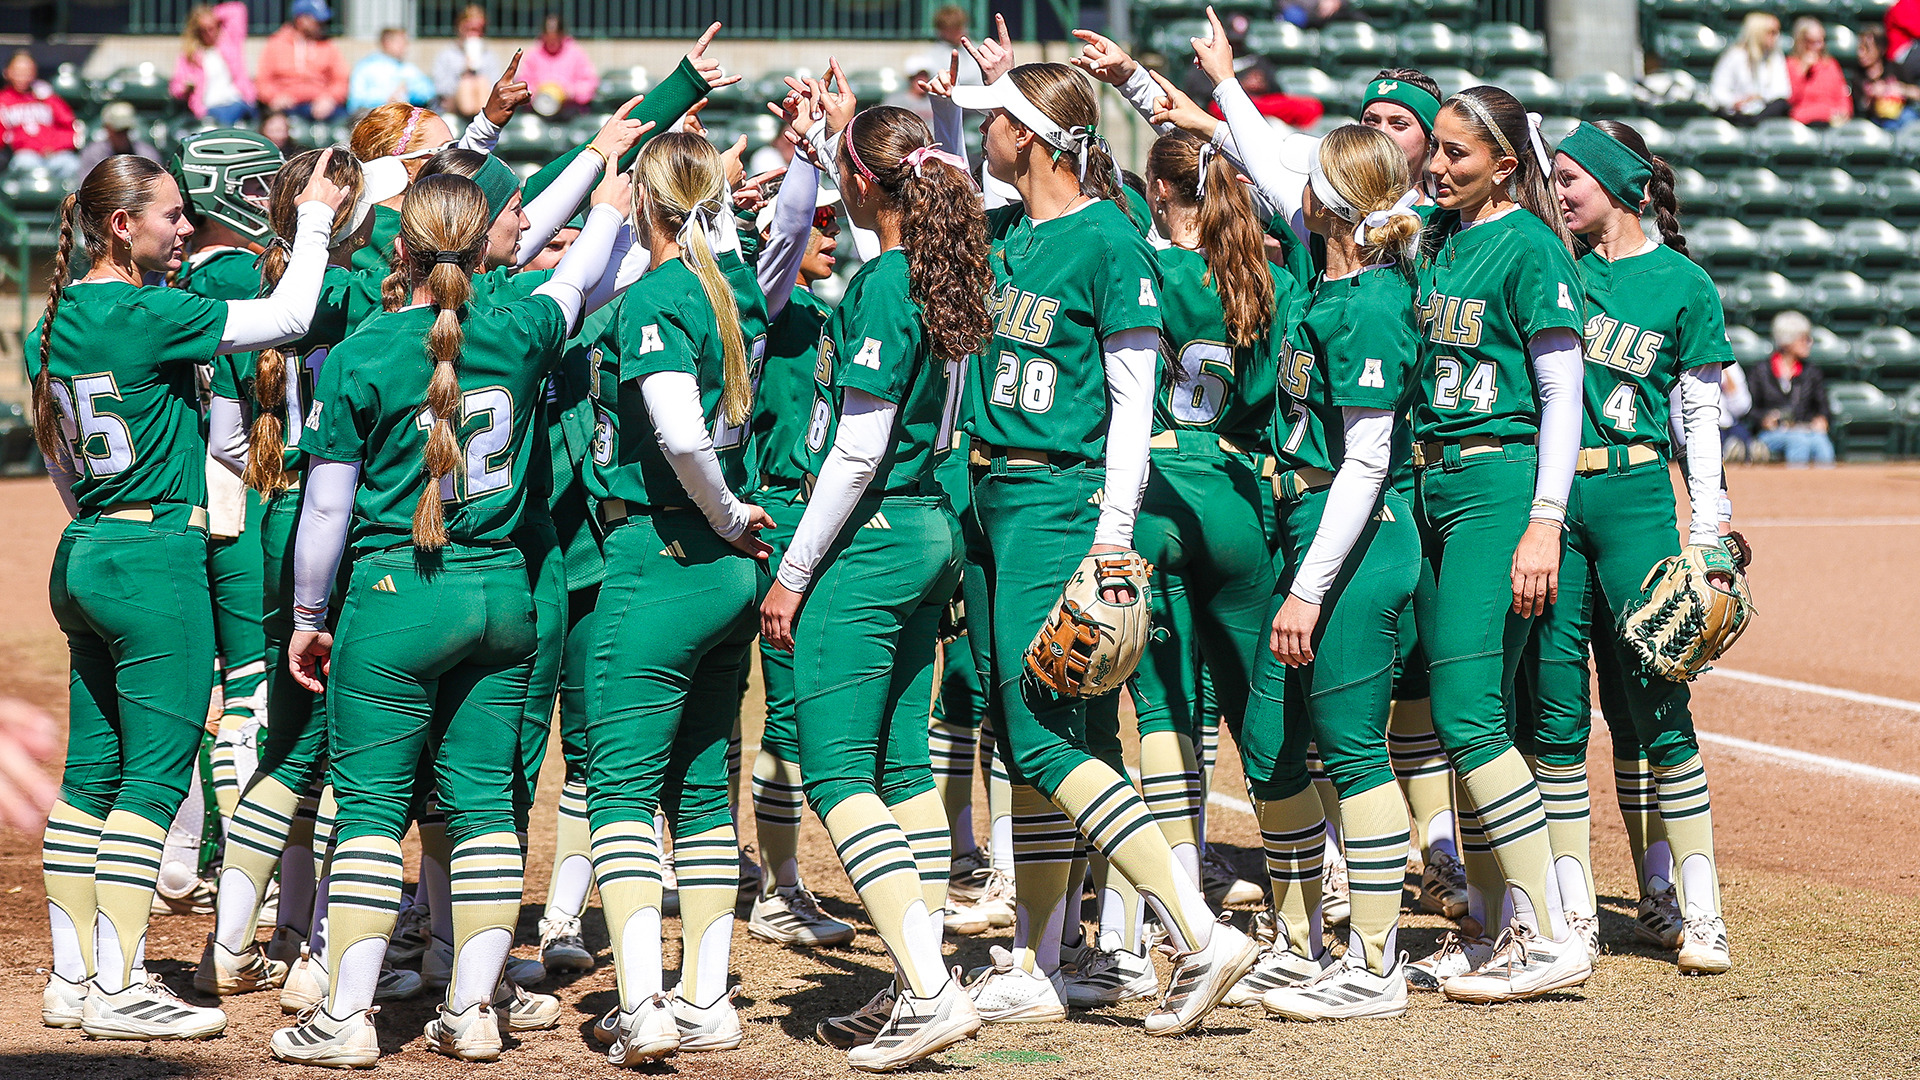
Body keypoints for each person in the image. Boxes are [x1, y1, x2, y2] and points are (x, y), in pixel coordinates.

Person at [267, 161, 631, 1066]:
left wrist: (310, 613)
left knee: (371, 813)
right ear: (480, 245)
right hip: (504, 592)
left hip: (398, 593)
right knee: (484, 811)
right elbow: (578, 271)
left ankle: (345, 1021)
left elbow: (323, 514)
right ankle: (473, 1009)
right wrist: (612, 194)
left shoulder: (360, 353)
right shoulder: (520, 328)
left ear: (401, 245)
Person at [930, 57, 1260, 1036]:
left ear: (1030, 138)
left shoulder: (1112, 242)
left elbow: (1131, 409)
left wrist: (1112, 540)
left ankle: (1197, 932)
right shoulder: (1005, 231)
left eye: (996, 120)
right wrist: (832, 146)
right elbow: (907, 219)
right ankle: (1049, 961)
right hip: (994, 497)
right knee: (1044, 741)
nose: (983, 131)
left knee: (1035, 732)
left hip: (1059, 501)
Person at [29, 149, 346, 1040]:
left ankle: (72, 976)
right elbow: (291, 313)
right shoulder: (145, 309)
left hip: (86, 549)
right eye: (170, 215)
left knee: (87, 782)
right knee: (152, 783)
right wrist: (316, 216)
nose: (184, 229)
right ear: (122, 224)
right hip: (154, 559)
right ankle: (120, 985)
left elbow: (58, 455)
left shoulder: (51, 321)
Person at [758, 101, 994, 1071]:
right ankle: (914, 981)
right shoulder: (933, 268)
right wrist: (831, 145)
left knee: (839, 775)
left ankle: (931, 989)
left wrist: (793, 572)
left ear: (864, 184)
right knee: (904, 771)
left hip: (875, 532)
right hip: (929, 528)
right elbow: (881, 234)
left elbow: (854, 452)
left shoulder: (887, 283)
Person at [578, 130, 774, 1066]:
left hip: (663, 552)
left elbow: (682, 437)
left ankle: (646, 1002)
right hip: (721, 572)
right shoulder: (724, 290)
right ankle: (704, 996)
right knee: (700, 790)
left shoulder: (659, 294)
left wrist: (731, 513)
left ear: (652, 206)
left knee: (619, 790)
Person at [1525, 118, 1736, 977]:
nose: (1561, 190)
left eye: (1573, 178)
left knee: (1656, 704)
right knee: (1558, 714)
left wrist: (1709, 529)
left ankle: (1699, 912)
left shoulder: (1683, 285)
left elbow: (1700, 414)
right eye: (1558, 176)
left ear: (1618, 186)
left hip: (1638, 492)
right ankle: (1575, 914)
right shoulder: (1552, 265)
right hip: (1551, 500)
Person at [1396, 84, 1593, 1002]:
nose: (1436, 165)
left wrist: (1545, 520)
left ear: (1506, 163)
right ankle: (1499, 920)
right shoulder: (1439, 240)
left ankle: (1548, 934)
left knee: (1469, 708)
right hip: (1438, 485)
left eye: (1457, 154)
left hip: (1498, 484)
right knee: (1469, 711)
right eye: (1433, 148)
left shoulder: (1529, 247)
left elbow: (1563, 395)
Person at [1750, 310, 1836, 466]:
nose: (1809, 343)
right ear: (1787, 341)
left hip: (1805, 429)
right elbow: (1750, 409)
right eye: (1804, 339)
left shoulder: (1811, 372)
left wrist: (1822, 420)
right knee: (1798, 441)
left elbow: (1824, 407)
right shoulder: (1761, 371)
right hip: (1771, 434)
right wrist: (1765, 419)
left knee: (1822, 442)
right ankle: (1795, 487)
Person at [256, 0, 349, 122]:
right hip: (286, 107)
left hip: (319, 106)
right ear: (300, 19)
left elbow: (341, 80)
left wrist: (330, 98)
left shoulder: (329, 47)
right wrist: (274, 97)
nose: (322, 24)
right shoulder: (275, 44)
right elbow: (263, 81)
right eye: (317, 20)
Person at [172, 2, 255, 125]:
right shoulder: (191, 55)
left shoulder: (229, 43)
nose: (208, 33)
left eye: (211, 27)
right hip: (210, 108)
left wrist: (210, 15)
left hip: (236, 101)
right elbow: (176, 88)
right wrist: (187, 86)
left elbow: (238, 10)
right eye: (203, 30)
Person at [0, 51, 78, 179]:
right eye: (18, 71)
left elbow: (69, 127)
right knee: (25, 162)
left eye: (27, 71)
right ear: (7, 72)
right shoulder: (2, 101)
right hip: (22, 155)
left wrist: (54, 147)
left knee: (71, 164)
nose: (23, 76)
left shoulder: (47, 97)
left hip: (54, 154)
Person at [1710, 13, 1790, 123]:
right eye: (1772, 32)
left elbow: (1782, 91)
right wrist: (1735, 101)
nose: (1776, 37)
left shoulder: (1775, 56)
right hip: (1737, 112)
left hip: (1763, 111)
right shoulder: (1734, 55)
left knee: (1781, 105)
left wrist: (1759, 97)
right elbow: (1717, 91)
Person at [520, 14, 599, 118]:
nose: (552, 43)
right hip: (539, 112)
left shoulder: (576, 54)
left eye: (555, 38)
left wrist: (570, 92)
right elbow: (523, 82)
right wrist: (536, 92)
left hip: (570, 113)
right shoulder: (534, 54)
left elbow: (590, 83)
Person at [433, 4, 500, 118]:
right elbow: (441, 88)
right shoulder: (447, 55)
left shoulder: (489, 56)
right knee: (467, 83)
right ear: (460, 27)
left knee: (481, 81)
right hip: (453, 103)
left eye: (478, 30)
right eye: (469, 29)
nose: (474, 34)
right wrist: (463, 72)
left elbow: (496, 84)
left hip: (482, 100)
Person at [348, 27, 435, 114]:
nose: (405, 47)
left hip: (404, 118)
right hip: (374, 118)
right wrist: (385, 99)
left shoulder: (408, 68)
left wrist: (410, 90)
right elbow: (355, 102)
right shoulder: (366, 67)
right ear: (386, 43)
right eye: (400, 43)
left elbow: (428, 93)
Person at [1786, 18, 1852, 126]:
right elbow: (1790, 101)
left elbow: (1843, 97)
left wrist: (1843, 112)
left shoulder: (1830, 64)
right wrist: (1802, 71)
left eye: (1821, 41)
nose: (1819, 46)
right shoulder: (1791, 64)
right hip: (1802, 123)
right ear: (1801, 42)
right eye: (1812, 42)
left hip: (1830, 122)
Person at [1851, 26, 1919, 127]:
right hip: (1876, 122)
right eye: (1860, 49)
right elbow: (1861, 106)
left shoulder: (1895, 68)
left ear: (1881, 48)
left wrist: (1901, 89)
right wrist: (1873, 96)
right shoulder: (1858, 75)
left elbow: (1917, 93)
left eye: (1867, 48)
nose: (1861, 54)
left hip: (1901, 117)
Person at [76, 102, 160, 178]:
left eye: (126, 131)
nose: (122, 136)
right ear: (107, 128)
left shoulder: (146, 154)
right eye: (118, 131)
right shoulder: (93, 153)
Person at [1719, 359, 1762, 461]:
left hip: (1731, 425)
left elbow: (1742, 407)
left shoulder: (1731, 363)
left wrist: (1727, 378)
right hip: (1706, 426)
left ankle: (1747, 451)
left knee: (1747, 443)